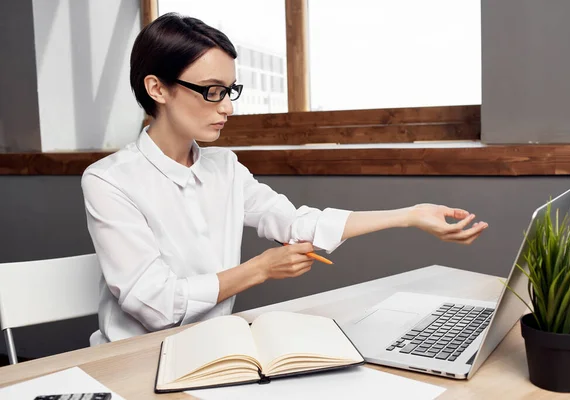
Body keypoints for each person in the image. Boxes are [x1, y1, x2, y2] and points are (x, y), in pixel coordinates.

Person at [82, 13, 488, 345]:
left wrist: (410, 215)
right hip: (134, 357)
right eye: (211, 91)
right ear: (157, 88)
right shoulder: (109, 181)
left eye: (230, 90)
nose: (227, 108)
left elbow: (297, 225)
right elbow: (154, 304)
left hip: (214, 346)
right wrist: (260, 269)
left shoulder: (223, 167)